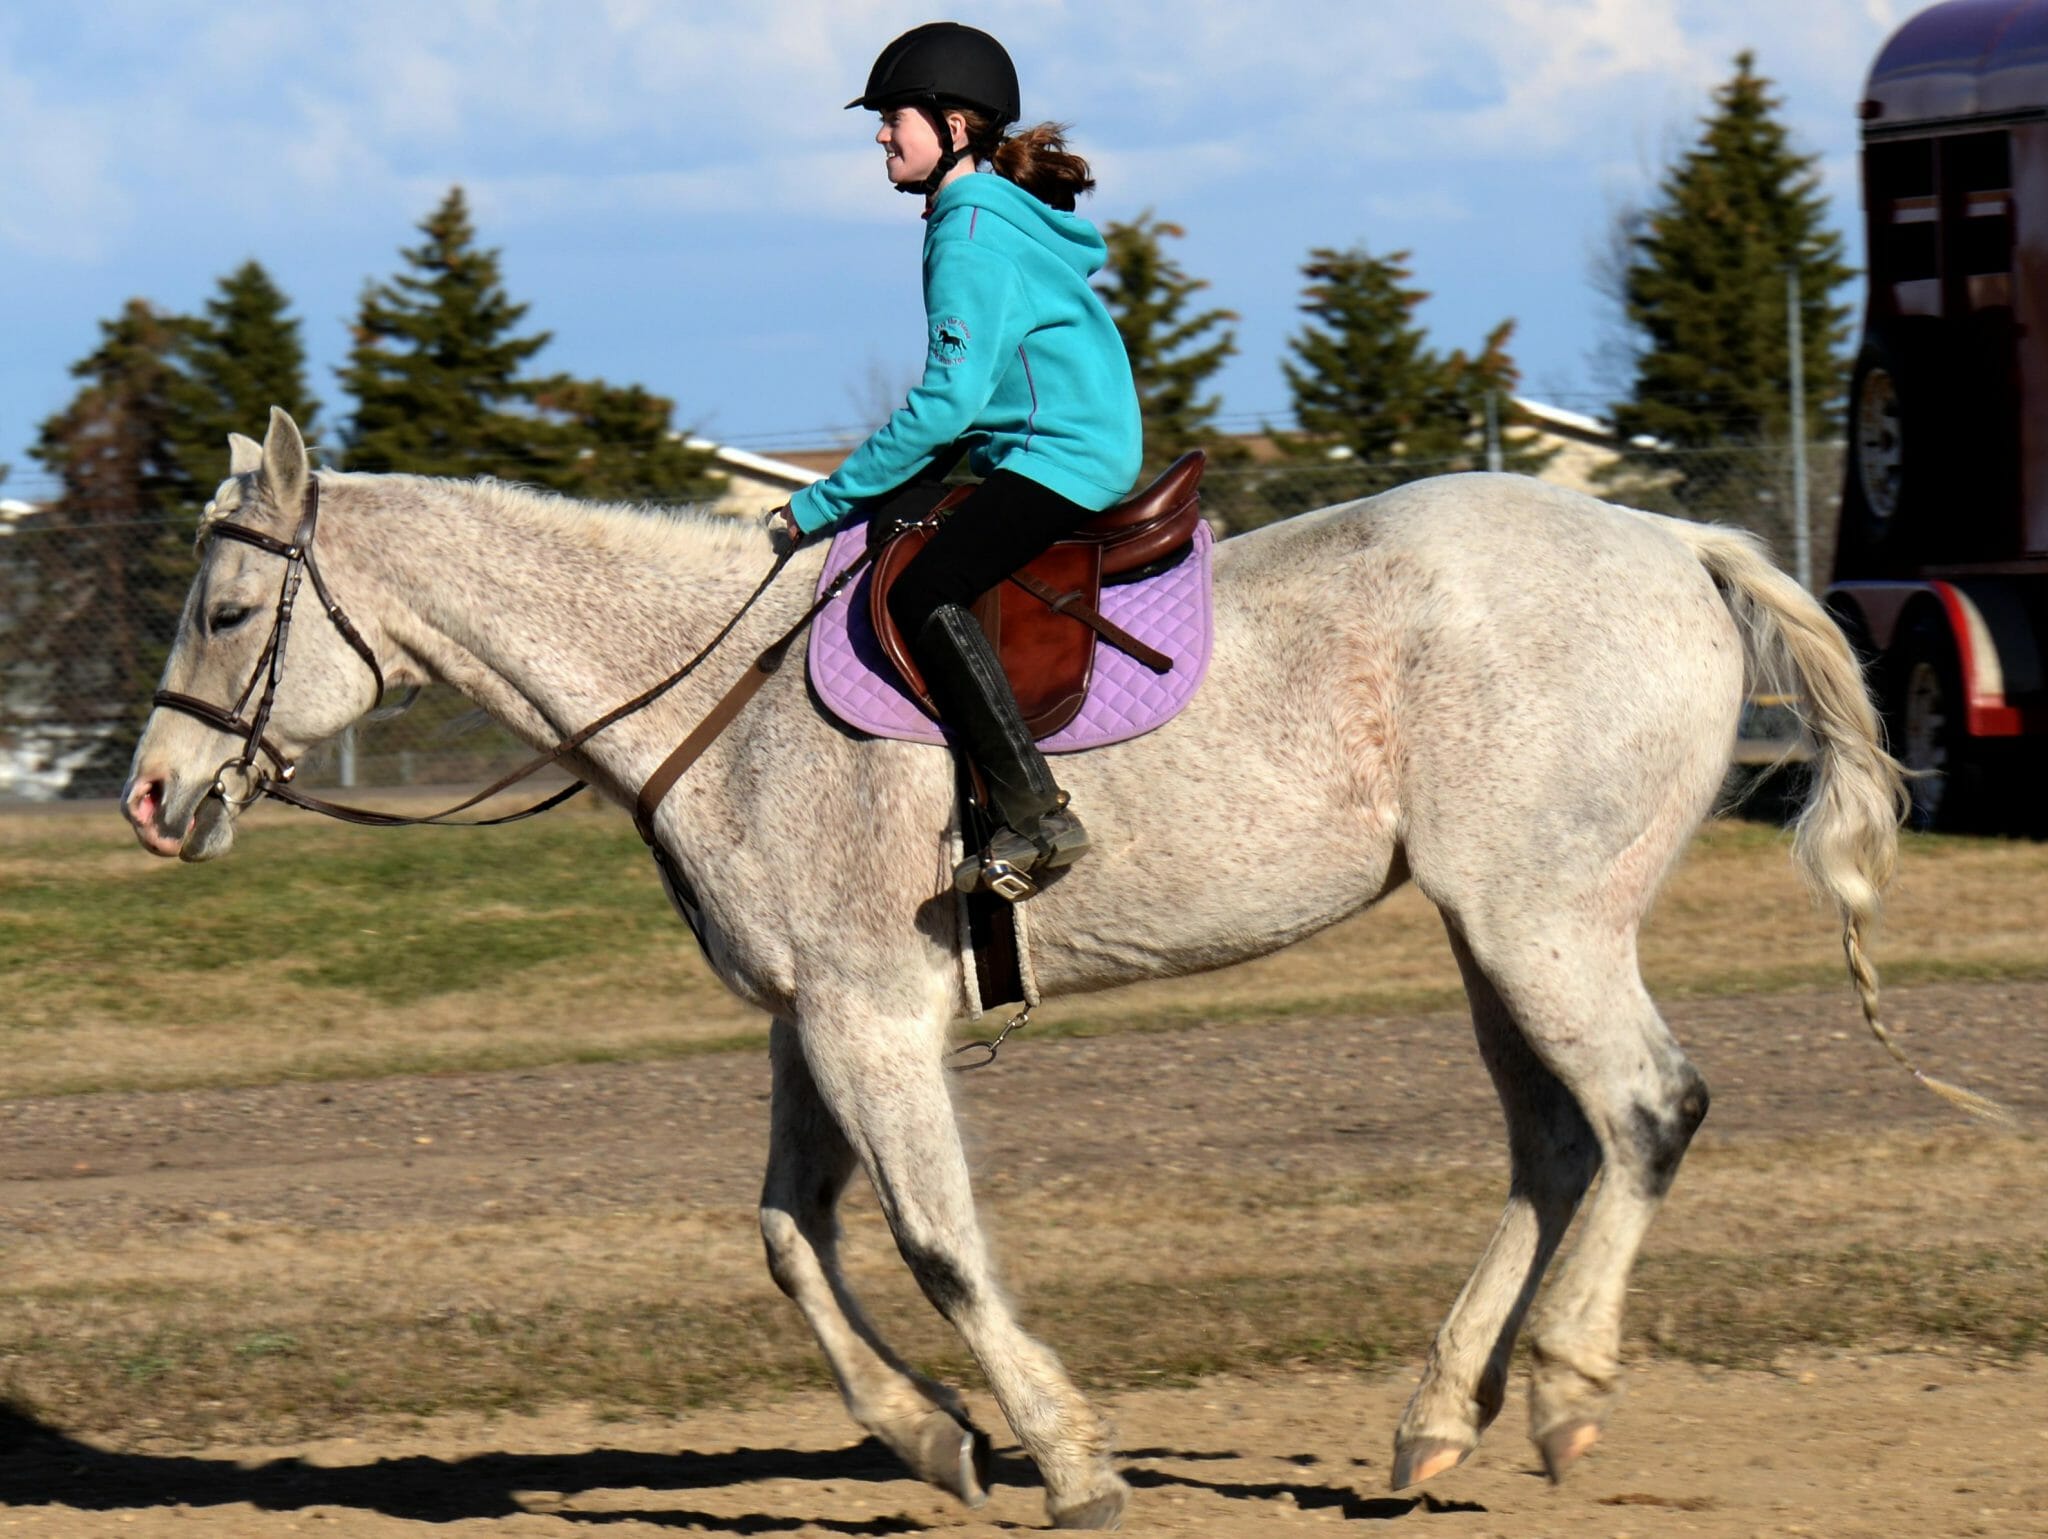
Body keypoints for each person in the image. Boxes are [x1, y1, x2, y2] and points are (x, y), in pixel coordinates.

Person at [767, 22, 1142, 899]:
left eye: (895, 115)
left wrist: (818, 505)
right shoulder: (981, 217)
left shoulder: (967, 231)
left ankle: (1035, 814)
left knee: (921, 588)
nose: (880, 133)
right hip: (1049, 446)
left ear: (955, 129)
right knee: (904, 521)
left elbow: (947, 403)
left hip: (1060, 457)